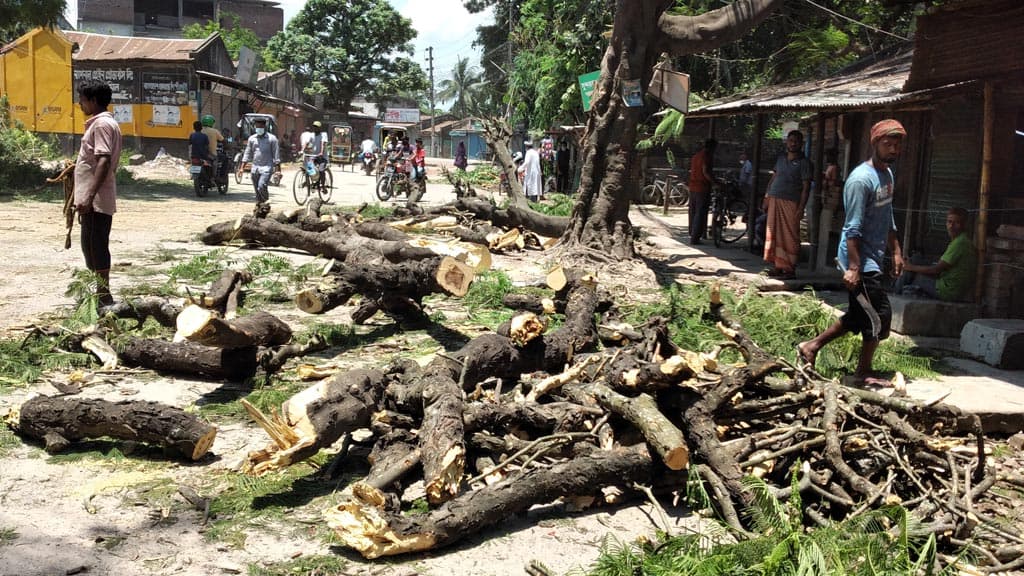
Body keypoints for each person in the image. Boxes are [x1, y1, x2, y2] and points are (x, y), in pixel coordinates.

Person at [797, 119, 908, 387]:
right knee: (878, 317)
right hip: (859, 261)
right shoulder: (861, 180)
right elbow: (852, 228)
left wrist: (896, 251)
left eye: (896, 145)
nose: (892, 149)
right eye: (887, 144)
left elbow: (888, 216)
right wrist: (855, 268)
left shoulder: (887, 175)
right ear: (874, 144)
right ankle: (862, 374)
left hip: (874, 257)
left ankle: (811, 347)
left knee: (859, 316)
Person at [73, 79, 122, 307]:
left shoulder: (101, 125)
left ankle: (103, 294)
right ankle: (99, 292)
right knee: (91, 245)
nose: (80, 104)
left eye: (82, 99)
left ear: (92, 100)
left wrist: (89, 196)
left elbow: (103, 160)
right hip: (94, 199)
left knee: (95, 246)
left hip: (96, 200)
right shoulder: (102, 124)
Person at [894, 207, 976, 301]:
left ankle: (895, 294)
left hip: (948, 290)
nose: (951, 226)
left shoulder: (960, 243)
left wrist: (910, 267)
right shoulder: (960, 240)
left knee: (915, 277)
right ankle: (896, 290)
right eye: (949, 222)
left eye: (956, 223)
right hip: (947, 284)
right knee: (916, 259)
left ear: (964, 225)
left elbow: (936, 270)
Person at [762, 130, 812, 279]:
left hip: (791, 202)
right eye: (791, 140)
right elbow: (774, 178)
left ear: (801, 144)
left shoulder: (805, 163)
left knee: (790, 235)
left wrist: (801, 207)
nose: (793, 143)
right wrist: (767, 196)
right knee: (774, 232)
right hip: (774, 199)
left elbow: (806, 187)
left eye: (796, 141)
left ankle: (790, 269)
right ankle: (777, 266)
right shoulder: (781, 159)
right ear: (787, 142)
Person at [240, 117, 280, 216]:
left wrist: (278, 170)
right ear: (255, 127)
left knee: (262, 185)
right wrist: (242, 168)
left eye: (261, 126)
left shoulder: (272, 139)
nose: (259, 128)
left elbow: (276, 155)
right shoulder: (252, 139)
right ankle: (259, 206)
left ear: (264, 126)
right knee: (257, 189)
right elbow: (247, 153)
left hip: (267, 167)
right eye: (257, 126)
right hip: (255, 168)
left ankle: (266, 204)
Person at [687, 138, 717, 244]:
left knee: (693, 211)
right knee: (700, 213)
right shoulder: (706, 156)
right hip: (702, 187)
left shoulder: (696, 156)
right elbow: (705, 171)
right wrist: (714, 182)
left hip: (692, 187)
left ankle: (692, 233)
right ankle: (695, 238)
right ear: (712, 148)